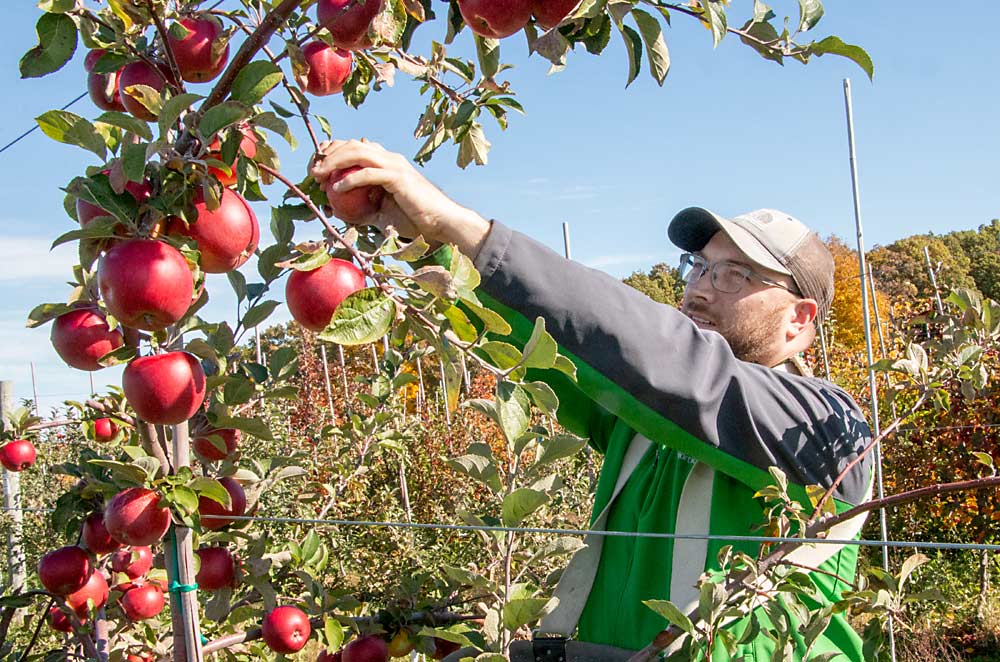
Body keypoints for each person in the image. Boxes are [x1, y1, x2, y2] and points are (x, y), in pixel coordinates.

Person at [310, 140, 875, 660]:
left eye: (735, 275)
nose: (699, 286)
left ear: (800, 320)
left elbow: (676, 363)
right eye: (699, 266)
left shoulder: (825, 431)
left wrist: (467, 230)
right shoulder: (643, 427)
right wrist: (421, 238)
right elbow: (539, 342)